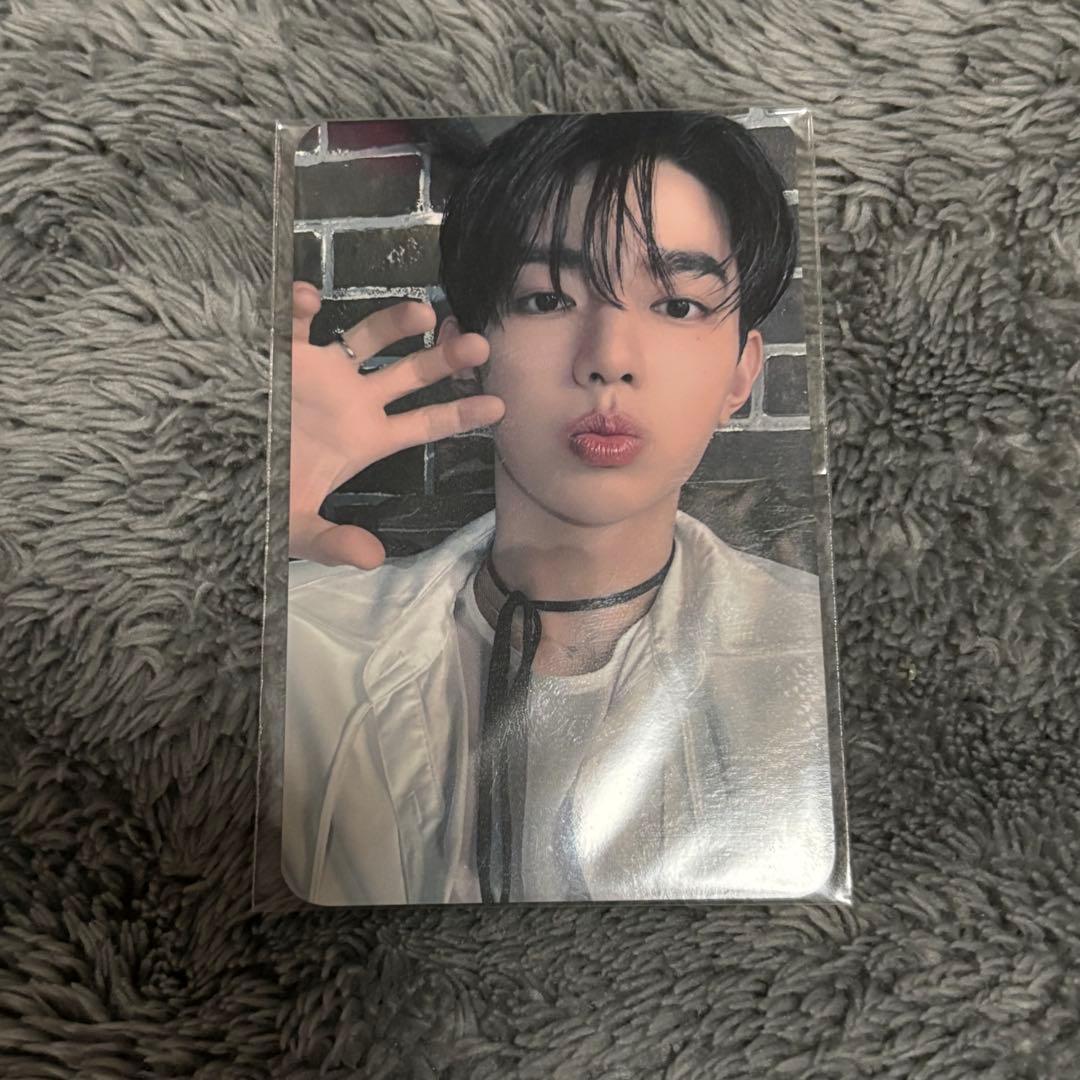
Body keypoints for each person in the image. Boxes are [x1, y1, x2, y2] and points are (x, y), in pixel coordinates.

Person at [282, 112, 838, 905]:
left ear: (741, 375)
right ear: (467, 353)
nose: (609, 358)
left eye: (677, 306)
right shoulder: (303, 642)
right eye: (547, 299)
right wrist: (225, 512)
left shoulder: (821, 661)